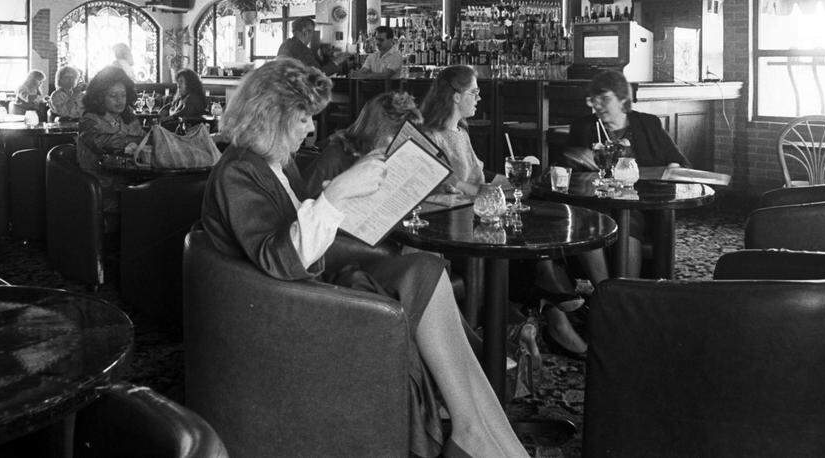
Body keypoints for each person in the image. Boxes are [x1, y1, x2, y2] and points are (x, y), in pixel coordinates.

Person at [202, 58, 529, 458]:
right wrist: (336, 193)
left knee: (426, 267)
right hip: (289, 309)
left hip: (304, 289)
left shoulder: (270, 163)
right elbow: (279, 258)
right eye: (303, 118)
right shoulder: (238, 171)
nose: (310, 128)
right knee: (422, 272)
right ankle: (475, 435)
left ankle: (492, 438)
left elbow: (296, 228)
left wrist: (346, 199)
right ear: (272, 115)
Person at [420, 65, 589, 359]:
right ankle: (553, 305)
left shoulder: (461, 131)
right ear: (456, 96)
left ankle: (549, 308)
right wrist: (496, 191)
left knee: (535, 222)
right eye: (474, 92)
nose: (479, 98)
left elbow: (480, 174)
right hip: (454, 222)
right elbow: (451, 183)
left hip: (480, 212)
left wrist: (514, 182)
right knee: (523, 243)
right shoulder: (430, 135)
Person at [560, 68, 688, 280]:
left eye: (604, 99)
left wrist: (672, 167)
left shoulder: (648, 124)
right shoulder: (583, 127)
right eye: (594, 100)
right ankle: (605, 290)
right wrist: (576, 156)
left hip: (639, 204)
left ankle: (626, 290)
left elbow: (678, 161)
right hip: (596, 203)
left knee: (629, 219)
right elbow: (563, 169)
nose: (598, 105)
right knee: (587, 221)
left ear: (622, 100)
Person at [305, 90, 420, 195]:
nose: (402, 146)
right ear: (373, 131)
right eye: (397, 137)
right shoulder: (334, 159)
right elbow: (307, 204)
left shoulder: (391, 157)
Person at [76, 66, 146, 220]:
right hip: (101, 187)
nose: (120, 100)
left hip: (129, 180)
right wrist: (136, 142)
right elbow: (102, 142)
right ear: (99, 97)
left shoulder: (128, 118)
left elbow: (144, 140)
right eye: (113, 95)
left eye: (123, 95)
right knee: (147, 198)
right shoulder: (90, 120)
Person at [276, 17, 345, 76]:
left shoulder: (286, 44)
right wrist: (337, 61)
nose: (312, 36)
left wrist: (325, 56)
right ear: (305, 32)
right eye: (312, 32)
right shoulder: (301, 49)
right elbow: (318, 74)